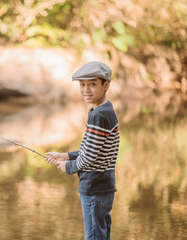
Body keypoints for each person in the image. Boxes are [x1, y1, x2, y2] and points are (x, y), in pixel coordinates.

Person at [45, 61, 120, 240]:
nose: (86, 90)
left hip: (94, 186)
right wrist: (65, 156)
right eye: (82, 85)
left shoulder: (99, 115)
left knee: (94, 235)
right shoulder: (102, 110)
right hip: (103, 185)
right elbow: (91, 148)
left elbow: (90, 156)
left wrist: (70, 166)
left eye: (92, 84)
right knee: (101, 233)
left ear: (106, 85)